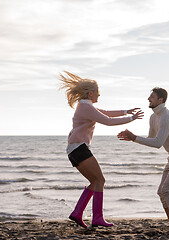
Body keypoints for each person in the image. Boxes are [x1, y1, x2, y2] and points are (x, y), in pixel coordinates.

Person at [59, 71, 144, 228]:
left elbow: (105, 113)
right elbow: (107, 121)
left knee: (94, 181)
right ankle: (97, 218)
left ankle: (77, 214)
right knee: (100, 180)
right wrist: (131, 118)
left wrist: (126, 111)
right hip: (79, 148)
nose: (99, 95)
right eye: (98, 92)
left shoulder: (86, 106)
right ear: (90, 93)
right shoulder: (85, 106)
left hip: (74, 149)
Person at [117, 87, 169, 235]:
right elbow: (152, 139)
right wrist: (133, 139)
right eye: (149, 96)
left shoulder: (167, 117)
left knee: (167, 189)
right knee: (161, 191)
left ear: (161, 100)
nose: (148, 99)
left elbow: (158, 143)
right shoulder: (153, 117)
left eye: (152, 97)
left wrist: (134, 138)